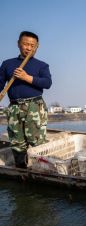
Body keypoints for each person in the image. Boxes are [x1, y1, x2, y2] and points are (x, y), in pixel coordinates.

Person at [0, 31, 52, 168]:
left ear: (36, 47)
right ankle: (21, 170)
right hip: (14, 107)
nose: (29, 48)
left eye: (32, 45)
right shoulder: (7, 64)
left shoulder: (42, 65)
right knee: (17, 142)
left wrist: (26, 77)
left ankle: (40, 169)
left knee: (37, 141)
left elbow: (47, 83)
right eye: (25, 44)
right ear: (19, 44)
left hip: (35, 106)